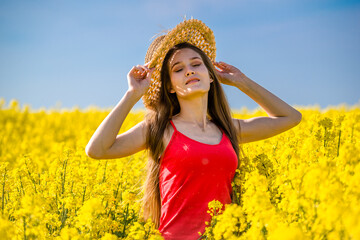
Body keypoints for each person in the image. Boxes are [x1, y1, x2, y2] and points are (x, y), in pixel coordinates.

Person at [85, 19, 302, 240]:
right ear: (169, 86)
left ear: (211, 75)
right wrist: (132, 94)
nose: (189, 71)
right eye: (178, 69)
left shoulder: (228, 129)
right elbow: (97, 150)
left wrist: (241, 81)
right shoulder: (160, 129)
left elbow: (290, 117)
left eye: (197, 64)